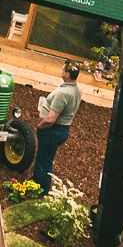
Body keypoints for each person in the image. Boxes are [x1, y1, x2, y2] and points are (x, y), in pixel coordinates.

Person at [34, 61, 84, 192]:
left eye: (63, 70)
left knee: (44, 161)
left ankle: (41, 190)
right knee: (44, 157)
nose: (60, 71)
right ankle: (35, 183)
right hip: (63, 129)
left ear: (67, 74)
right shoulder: (77, 89)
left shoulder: (63, 94)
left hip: (52, 130)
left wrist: (40, 126)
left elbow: (50, 119)